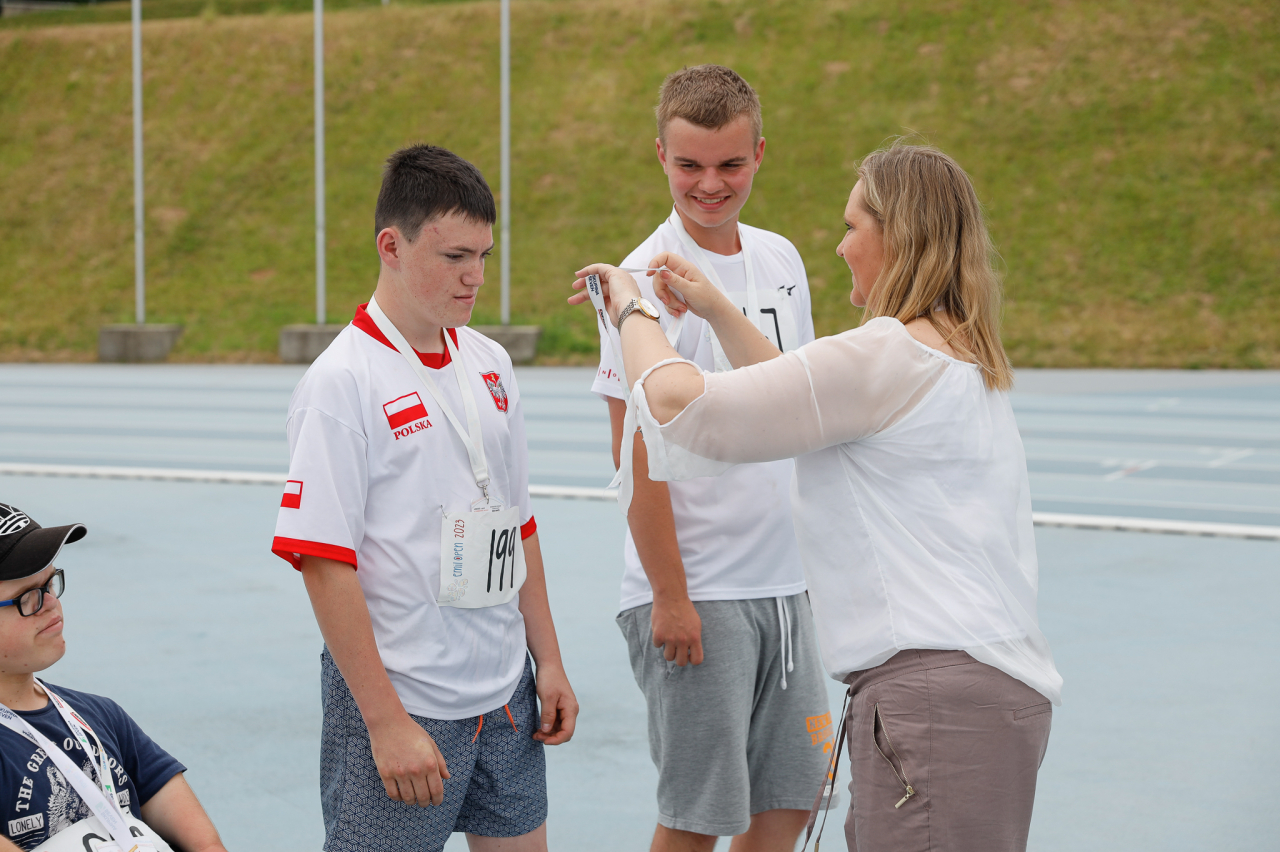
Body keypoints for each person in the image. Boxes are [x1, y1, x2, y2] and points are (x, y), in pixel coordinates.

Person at [570, 141, 1063, 852]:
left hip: (932, 695)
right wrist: (716, 308)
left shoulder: (885, 353)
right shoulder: (956, 353)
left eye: (852, 226)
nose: (839, 246)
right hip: (991, 690)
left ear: (896, 236)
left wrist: (630, 309)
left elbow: (678, 403)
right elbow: (795, 397)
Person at [271, 144, 578, 852]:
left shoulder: (490, 361)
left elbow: (519, 523)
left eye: (484, 255)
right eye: (455, 257)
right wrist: (384, 722)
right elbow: (323, 561)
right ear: (392, 247)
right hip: (407, 701)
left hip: (506, 695)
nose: (476, 277)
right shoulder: (341, 384)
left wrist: (549, 661)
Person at [589, 64, 834, 852]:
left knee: (793, 800)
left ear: (760, 153)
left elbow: (799, 400)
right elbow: (636, 457)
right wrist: (670, 596)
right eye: (689, 164)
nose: (710, 185)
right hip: (699, 591)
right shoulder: (635, 282)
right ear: (660, 155)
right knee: (699, 817)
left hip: (784, 587)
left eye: (730, 164)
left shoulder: (782, 259)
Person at [0, 502, 228, 852]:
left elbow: (206, 845)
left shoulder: (102, 716)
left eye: (50, 583)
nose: (51, 603)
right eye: (27, 597)